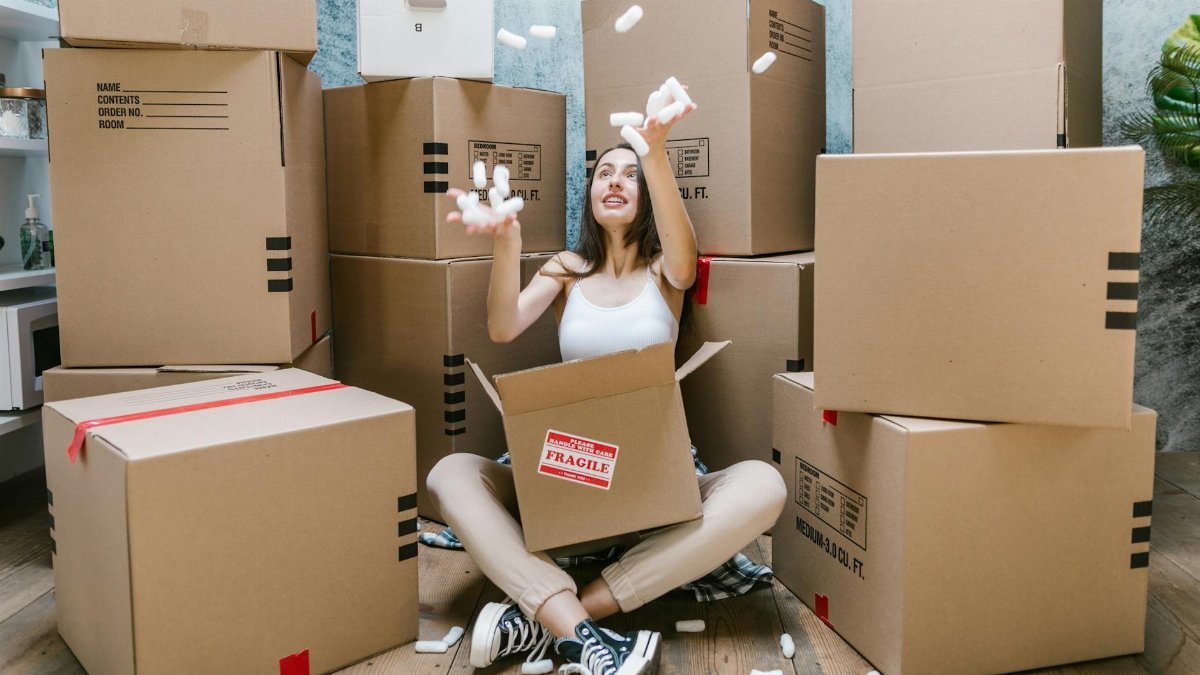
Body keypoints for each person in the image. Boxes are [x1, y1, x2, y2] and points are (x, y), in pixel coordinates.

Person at [425, 100, 787, 675]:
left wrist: (657, 152)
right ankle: (577, 627)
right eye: (603, 173)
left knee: (764, 485)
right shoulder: (566, 270)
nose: (615, 181)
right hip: (567, 470)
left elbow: (687, 265)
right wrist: (507, 241)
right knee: (448, 475)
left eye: (630, 175)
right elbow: (502, 327)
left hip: (651, 475)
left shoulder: (666, 271)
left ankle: (561, 618)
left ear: (646, 196)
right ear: (589, 193)